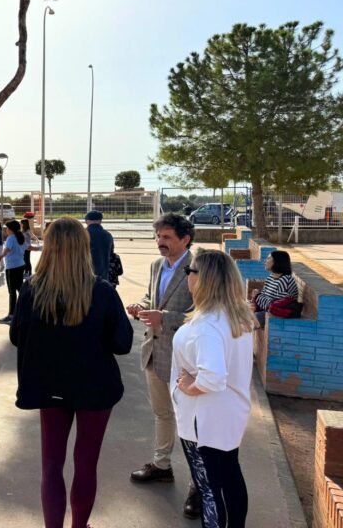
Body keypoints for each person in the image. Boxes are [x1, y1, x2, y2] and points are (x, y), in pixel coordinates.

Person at [10, 217, 134, 528]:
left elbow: (16, 337)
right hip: (95, 387)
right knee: (86, 463)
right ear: (84, 247)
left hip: (48, 385)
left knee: (51, 464)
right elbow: (123, 343)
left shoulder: (31, 290)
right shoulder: (102, 291)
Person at [125, 213, 201, 519]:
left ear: (185, 239)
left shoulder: (199, 267)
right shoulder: (157, 265)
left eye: (167, 237)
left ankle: (199, 484)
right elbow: (151, 296)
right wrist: (141, 306)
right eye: (158, 236)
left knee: (193, 422)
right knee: (162, 414)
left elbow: (203, 312)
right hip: (154, 352)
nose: (160, 242)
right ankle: (161, 465)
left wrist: (165, 318)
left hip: (185, 360)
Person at [173, 249, 254, 528]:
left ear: (203, 278)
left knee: (210, 488)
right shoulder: (234, 316)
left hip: (205, 420)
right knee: (229, 479)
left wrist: (189, 386)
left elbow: (213, 377)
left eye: (190, 271)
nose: (187, 275)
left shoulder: (207, 325)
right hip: (227, 414)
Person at [250, 250, 298, 328]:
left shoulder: (285, 280)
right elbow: (264, 300)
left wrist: (257, 296)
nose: (265, 261)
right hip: (266, 311)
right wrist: (256, 299)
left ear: (277, 262)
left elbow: (273, 306)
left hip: (277, 315)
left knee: (247, 320)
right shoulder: (270, 278)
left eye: (268, 258)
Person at [0, 220, 26, 325]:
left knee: (12, 292)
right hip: (20, 265)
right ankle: (26, 311)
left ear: (11, 229)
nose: (5, 230)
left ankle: (11, 316)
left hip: (12, 267)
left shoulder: (11, 238)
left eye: (6, 228)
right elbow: (27, 247)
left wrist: (0, 257)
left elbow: (7, 250)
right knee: (20, 289)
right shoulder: (20, 237)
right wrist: (39, 248)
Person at [84, 210, 114, 283]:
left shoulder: (82, 234)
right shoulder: (107, 235)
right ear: (100, 221)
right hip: (103, 275)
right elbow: (111, 253)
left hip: (85, 274)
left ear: (86, 221)